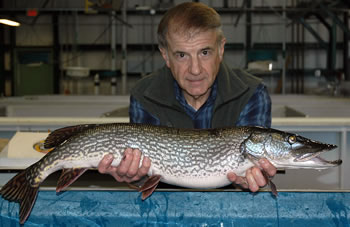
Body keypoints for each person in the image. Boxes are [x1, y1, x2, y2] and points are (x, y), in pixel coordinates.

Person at [98, 2, 276, 193]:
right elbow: (145, 175)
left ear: (221, 49)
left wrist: (249, 181)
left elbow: (253, 169)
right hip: (166, 207)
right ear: (165, 56)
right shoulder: (144, 95)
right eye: (182, 55)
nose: (195, 69)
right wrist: (134, 176)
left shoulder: (251, 93)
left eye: (205, 52)